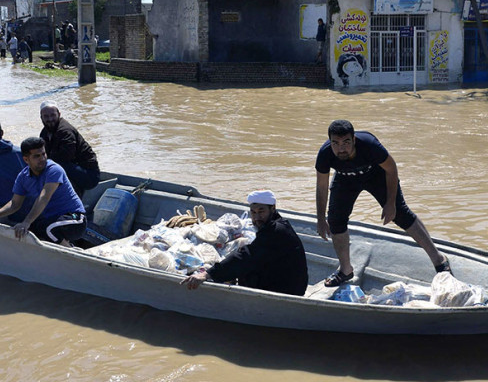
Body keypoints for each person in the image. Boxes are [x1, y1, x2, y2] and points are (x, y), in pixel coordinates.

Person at [315, 119, 449, 287]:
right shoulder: (325, 154)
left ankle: (438, 259)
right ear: (330, 142)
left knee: (401, 214)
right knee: (335, 220)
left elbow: (391, 168)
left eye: (346, 142)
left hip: (376, 175)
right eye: (336, 143)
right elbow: (321, 186)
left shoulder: (369, 144)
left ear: (354, 140)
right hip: (345, 179)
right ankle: (345, 270)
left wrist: (391, 203)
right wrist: (320, 218)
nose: (341, 148)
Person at [181, 189, 309, 296]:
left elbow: (246, 256)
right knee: (240, 266)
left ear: (273, 209)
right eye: (253, 212)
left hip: (288, 290)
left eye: (261, 211)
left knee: (243, 266)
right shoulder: (280, 224)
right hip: (293, 285)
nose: (256, 217)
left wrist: (208, 274)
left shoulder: (275, 231)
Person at [0, 136, 86, 247]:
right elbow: (14, 204)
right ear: (26, 159)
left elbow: (44, 197)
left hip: (75, 219)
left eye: (43, 154)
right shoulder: (23, 177)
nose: (42, 159)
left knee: (48, 229)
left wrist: (26, 222)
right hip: (52, 220)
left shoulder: (54, 170)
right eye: (36, 156)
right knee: (33, 231)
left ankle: (71, 252)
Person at [39, 101, 101, 195]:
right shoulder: (45, 132)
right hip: (73, 168)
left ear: (59, 114)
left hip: (89, 175)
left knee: (56, 166)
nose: (50, 119)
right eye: (46, 116)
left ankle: (71, 199)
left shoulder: (65, 131)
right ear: (41, 117)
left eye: (53, 115)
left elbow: (65, 157)